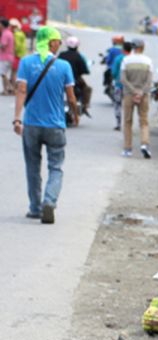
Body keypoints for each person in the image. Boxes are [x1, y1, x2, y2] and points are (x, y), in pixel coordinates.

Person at [13, 26, 77, 224]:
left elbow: (21, 90)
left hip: (31, 125)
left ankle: (34, 208)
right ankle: (49, 201)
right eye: (58, 40)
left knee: (32, 166)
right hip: (55, 125)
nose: (59, 44)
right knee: (56, 167)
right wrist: (75, 115)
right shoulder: (64, 66)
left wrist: (17, 118)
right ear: (51, 42)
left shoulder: (26, 62)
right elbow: (71, 98)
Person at [120, 38, 153, 158]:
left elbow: (123, 79)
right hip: (143, 95)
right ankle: (144, 144)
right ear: (143, 47)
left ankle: (127, 149)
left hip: (129, 94)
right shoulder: (148, 61)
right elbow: (149, 81)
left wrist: (133, 91)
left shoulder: (126, 60)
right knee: (144, 121)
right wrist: (140, 92)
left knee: (128, 121)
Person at [58, 36, 91, 116]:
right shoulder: (78, 56)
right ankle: (85, 106)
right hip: (75, 79)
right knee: (87, 89)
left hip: (60, 78)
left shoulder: (61, 55)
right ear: (77, 46)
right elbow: (84, 70)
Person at [111, 41, 132, 130]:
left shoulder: (119, 58)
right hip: (130, 87)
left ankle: (118, 124)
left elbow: (114, 72)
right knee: (129, 106)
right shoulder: (132, 59)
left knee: (117, 104)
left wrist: (116, 78)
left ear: (123, 49)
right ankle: (128, 124)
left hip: (119, 85)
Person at [9, 19, 26, 91]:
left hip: (17, 55)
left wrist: (13, 52)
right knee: (14, 72)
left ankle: (14, 88)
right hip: (21, 55)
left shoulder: (16, 34)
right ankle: (13, 87)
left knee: (14, 72)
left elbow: (17, 46)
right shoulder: (21, 33)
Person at [0, 18, 15, 95]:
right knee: (5, 74)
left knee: (3, 74)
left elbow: (3, 45)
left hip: (5, 57)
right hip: (9, 56)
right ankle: (6, 89)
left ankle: (10, 88)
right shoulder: (9, 33)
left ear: (2, 25)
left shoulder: (5, 34)